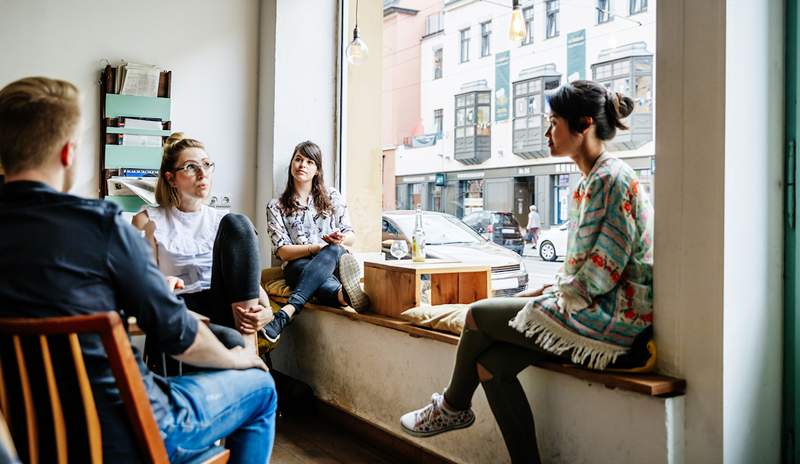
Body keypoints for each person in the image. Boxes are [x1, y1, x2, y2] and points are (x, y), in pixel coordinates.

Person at [0, 76, 277, 464]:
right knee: (261, 386)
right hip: (131, 433)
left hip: (31, 439)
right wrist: (241, 358)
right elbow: (178, 333)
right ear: (68, 153)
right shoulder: (103, 227)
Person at [399, 80, 653, 463]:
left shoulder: (610, 180)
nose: (548, 132)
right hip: (592, 309)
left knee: (477, 313)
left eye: (554, 123)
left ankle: (452, 406)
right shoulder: (590, 181)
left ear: (583, 125)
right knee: (490, 368)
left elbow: (600, 275)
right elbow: (580, 271)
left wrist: (547, 297)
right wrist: (543, 294)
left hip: (615, 322)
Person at [132, 132, 273, 353]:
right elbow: (138, 279)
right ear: (171, 178)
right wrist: (161, 282)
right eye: (190, 167)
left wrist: (267, 310)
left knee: (238, 223)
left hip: (224, 307)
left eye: (207, 165)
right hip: (181, 309)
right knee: (227, 339)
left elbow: (246, 278)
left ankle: (248, 349)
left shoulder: (221, 220)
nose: (202, 173)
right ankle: (244, 353)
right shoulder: (148, 221)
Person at [263, 141, 370, 343]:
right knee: (305, 265)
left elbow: (351, 236)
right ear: (291, 165)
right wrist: (316, 248)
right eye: (298, 159)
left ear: (317, 170)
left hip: (334, 261)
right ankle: (342, 296)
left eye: (309, 161)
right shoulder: (276, 206)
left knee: (334, 250)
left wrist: (339, 239)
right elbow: (283, 252)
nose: (302, 165)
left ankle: (288, 311)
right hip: (297, 265)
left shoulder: (332, 196)